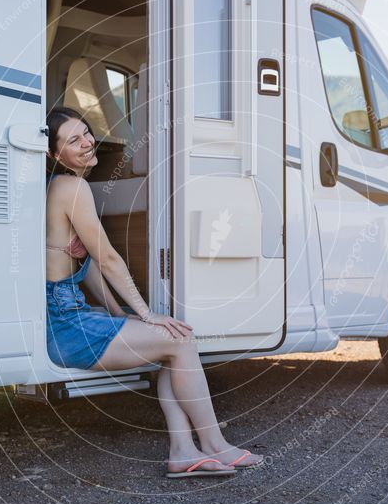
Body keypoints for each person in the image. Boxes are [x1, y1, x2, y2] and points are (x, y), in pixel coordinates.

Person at [45, 106, 264, 478]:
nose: (85, 142)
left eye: (85, 133)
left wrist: (117, 312)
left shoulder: (62, 188)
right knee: (178, 341)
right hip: (65, 325)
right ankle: (213, 444)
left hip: (72, 315)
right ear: (55, 155)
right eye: (72, 140)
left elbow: (89, 269)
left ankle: (184, 450)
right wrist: (146, 314)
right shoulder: (71, 187)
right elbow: (108, 258)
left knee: (174, 343)